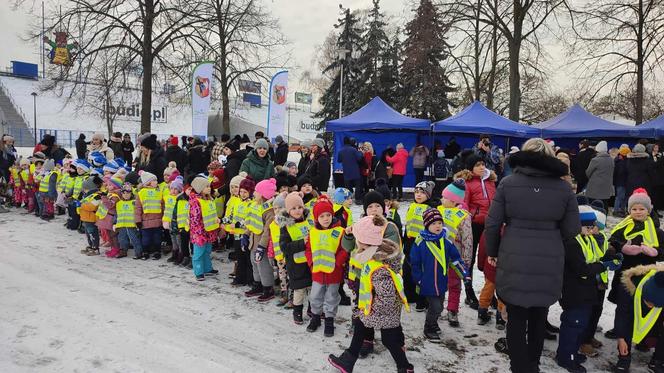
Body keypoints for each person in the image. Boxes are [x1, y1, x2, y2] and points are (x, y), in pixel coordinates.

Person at [484, 138, 581, 373]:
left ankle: (519, 367)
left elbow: (492, 224)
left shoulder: (508, 183)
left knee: (516, 316)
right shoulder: (563, 188)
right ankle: (533, 364)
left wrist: (493, 252)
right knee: (539, 314)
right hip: (550, 256)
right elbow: (572, 230)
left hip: (514, 253)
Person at [328, 215, 413, 373]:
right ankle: (348, 360)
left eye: (357, 238)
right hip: (374, 309)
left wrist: (373, 311)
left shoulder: (379, 265)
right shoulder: (372, 255)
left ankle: (405, 367)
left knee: (389, 340)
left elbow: (387, 294)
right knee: (361, 327)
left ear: (366, 241)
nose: (356, 241)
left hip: (383, 312)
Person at [556, 203, 623, 373]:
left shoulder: (587, 238)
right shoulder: (571, 243)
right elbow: (582, 269)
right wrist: (603, 265)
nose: (593, 229)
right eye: (589, 225)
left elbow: (596, 257)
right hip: (574, 291)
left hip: (587, 290)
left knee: (580, 324)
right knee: (573, 324)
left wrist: (611, 257)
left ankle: (572, 351)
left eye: (593, 225)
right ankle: (566, 358)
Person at [610, 188, 664, 372]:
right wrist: (622, 248)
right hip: (627, 277)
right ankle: (623, 356)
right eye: (634, 208)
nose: (638, 212)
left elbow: (663, 251)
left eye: (642, 208)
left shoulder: (657, 232)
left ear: (648, 210)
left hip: (649, 279)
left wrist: (656, 252)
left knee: (647, 312)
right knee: (624, 312)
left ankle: (645, 341)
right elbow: (611, 243)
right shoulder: (622, 228)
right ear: (629, 210)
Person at [411, 208, 470, 343]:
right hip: (427, 282)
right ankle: (429, 328)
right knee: (436, 307)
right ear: (426, 225)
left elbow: (456, 259)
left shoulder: (447, 242)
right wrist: (418, 278)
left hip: (442, 282)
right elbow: (414, 262)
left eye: (439, 223)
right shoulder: (420, 243)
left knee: (439, 306)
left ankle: (433, 322)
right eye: (433, 224)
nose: (437, 226)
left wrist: (464, 274)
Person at [455, 152, 497, 309]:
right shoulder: (466, 183)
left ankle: (489, 293)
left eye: (483, 164)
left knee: (489, 260)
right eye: (477, 165)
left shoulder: (491, 181)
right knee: (470, 259)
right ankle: (469, 291)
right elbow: (463, 204)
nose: (481, 167)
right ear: (470, 168)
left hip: (490, 225)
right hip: (473, 224)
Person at [305, 196, 348, 337]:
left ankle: (329, 319)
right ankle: (316, 317)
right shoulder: (313, 232)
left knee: (332, 297)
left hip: (334, 273)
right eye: (322, 216)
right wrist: (311, 263)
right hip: (317, 272)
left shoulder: (340, 231)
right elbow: (308, 249)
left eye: (328, 215)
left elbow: (344, 249)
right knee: (315, 296)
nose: (325, 219)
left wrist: (337, 262)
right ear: (317, 218)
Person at [438, 179, 473, 327]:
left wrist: (466, 260)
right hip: (438, 256)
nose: (441, 199)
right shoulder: (437, 211)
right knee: (438, 283)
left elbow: (467, 239)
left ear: (453, 201)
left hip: (455, 258)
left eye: (444, 197)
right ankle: (436, 307)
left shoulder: (463, 216)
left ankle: (452, 310)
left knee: (454, 285)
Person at [618, 265, 664, 373]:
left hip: (658, 316)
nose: (650, 306)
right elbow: (621, 315)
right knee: (628, 323)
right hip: (631, 312)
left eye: (655, 305)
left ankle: (657, 360)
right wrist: (621, 338)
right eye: (649, 302)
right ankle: (624, 358)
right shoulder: (628, 286)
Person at [277, 192, 313, 325]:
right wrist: (302, 243)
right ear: (288, 210)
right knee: (299, 291)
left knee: (312, 289)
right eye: (293, 208)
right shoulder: (285, 226)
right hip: (296, 266)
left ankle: (312, 309)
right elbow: (285, 247)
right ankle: (297, 312)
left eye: (300, 207)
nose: (297, 211)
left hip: (310, 263)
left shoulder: (309, 221)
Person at [243, 178, 278, 302]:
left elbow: (267, 231)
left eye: (256, 192)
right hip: (253, 242)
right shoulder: (255, 205)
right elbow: (250, 222)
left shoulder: (269, 212)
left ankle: (268, 288)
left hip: (262, 245)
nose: (254, 193)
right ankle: (257, 284)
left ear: (263, 194)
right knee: (254, 264)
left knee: (263, 267)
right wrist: (246, 235)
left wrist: (262, 246)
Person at [188, 176, 220, 281]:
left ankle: (207, 269)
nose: (209, 188)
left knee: (207, 251)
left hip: (209, 230)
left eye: (209, 186)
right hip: (199, 232)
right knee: (198, 253)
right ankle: (199, 271)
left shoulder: (209, 199)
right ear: (199, 188)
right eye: (206, 186)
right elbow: (195, 218)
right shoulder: (195, 201)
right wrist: (199, 229)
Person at [135, 171, 164, 260]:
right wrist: (138, 220)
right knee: (146, 239)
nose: (156, 182)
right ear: (148, 182)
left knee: (157, 238)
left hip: (158, 221)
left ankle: (157, 251)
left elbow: (162, 205)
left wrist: (164, 218)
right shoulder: (141, 193)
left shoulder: (159, 192)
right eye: (154, 180)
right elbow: (138, 208)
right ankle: (145, 251)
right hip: (145, 221)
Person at [585, 140, 615, 207]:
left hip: (595, 186)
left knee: (594, 204)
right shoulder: (611, 160)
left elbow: (588, 172)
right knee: (604, 203)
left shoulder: (595, 160)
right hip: (607, 185)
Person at [79, 176, 103, 255]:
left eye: (85, 189)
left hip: (91, 218)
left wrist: (81, 205)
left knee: (92, 233)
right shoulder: (87, 196)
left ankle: (95, 248)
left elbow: (92, 206)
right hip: (85, 218)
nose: (84, 191)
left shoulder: (97, 196)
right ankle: (91, 245)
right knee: (88, 233)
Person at [614, 144, 630, 217]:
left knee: (624, 197)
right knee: (620, 197)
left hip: (622, 182)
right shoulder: (622, 162)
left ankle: (621, 210)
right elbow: (620, 173)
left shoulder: (619, 161)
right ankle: (616, 210)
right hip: (622, 182)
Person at [651, 143, 664, 212]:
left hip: (659, 179)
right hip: (652, 179)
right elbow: (654, 165)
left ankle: (656, 209)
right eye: (655, 147)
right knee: (654, 195)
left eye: (657, 147)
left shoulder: (660, 155)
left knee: (658, 195)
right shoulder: (650, 155)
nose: (656, 148)